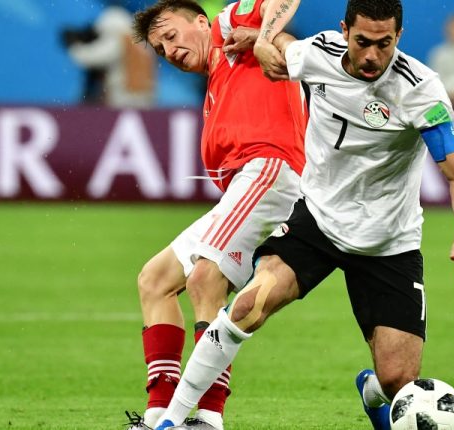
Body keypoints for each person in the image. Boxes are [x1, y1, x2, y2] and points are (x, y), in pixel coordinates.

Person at [152, 0, 454, 429]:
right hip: (318, 222)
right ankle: (173, 420)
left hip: (388, 242)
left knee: (398, 381)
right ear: (344, 31)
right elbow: (283, 52)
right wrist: (262, 40)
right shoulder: (320, 52)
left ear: (398, 37)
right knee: (247, 307)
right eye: (362, 42)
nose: (372, 55)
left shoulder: (420, 90)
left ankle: (374, 392)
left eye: (384, 44)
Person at [126, 0, 307, 429]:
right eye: (160, 48)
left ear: (201, 22)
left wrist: (263, 38)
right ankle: (157, 414)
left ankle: (207, 417)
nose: (169, 51)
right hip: (245, 187)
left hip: (270, 169)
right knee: (155, 280)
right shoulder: (216, 84)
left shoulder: (227, 30)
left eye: (172, 36)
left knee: (206, 277)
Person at [67, 5, 156, 109]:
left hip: (123, 98)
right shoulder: (142, 42)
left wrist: (74, 46)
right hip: (146, 98)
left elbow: (90, 58)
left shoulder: (119, 41)